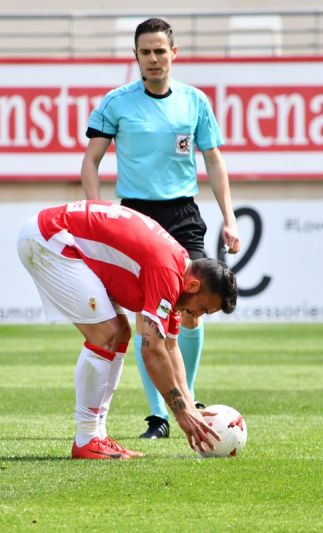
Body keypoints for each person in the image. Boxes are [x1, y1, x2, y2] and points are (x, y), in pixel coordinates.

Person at [81, 17, 241, 440]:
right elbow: (91, 162)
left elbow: (214, 161)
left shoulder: (195, 101)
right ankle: (159, 415)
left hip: (183, 215)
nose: (153, 58)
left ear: (174, 53)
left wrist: (229, 217)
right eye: (145, 52)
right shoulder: (116, 103)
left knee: (189, 312)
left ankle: (188, 397)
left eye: (159, 50)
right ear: (135, 56)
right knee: (149, 319)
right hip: (137, 215)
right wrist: (97, 213)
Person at [17, 200, 237, 459]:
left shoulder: (178, 271)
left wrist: (190, 406)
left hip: (56, 234)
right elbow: (152, 350)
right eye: (201, 308)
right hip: (49, 238)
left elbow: (170, 346)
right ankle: (87, 438)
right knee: (106, 334)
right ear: (193, 286)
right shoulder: (167, 271)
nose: (196, 315)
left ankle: (97, 437)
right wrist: (180, 412)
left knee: (120, 333)